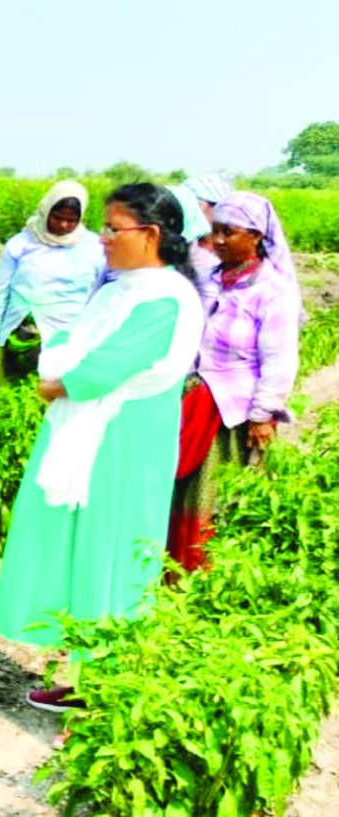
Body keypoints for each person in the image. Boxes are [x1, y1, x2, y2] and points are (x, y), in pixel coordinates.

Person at [0, 184, 206, 713]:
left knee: (112, 551)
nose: (102, 238)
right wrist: (62, 370)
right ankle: (88, 677)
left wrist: (58, 383)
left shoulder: (165, 298)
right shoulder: (120, 291)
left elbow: (102, 367)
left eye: (113, 228)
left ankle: (105, 687)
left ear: (149, 234)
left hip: (125, 439)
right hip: (98, 434)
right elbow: (70, 343)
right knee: (85, 549)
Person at [167, 191, 301, 572]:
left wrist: (263, 414)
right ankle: (170, 568)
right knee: (179, 487)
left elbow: (279, 358)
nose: (219, 240)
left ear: (256, 236)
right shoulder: (212, 278)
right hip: (195, 397)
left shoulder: (271, 291)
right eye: (216, 231)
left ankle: (202, 574)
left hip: (231, 411)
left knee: (211, 493)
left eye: (230, 232)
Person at [0, 180, 107, 381]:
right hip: (17, 340)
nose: (64, 225)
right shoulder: (21, 244)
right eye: (58, 217)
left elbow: (103, 296)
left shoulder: (95, 248)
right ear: (46, 211)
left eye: (71, 220)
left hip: (68, 345)